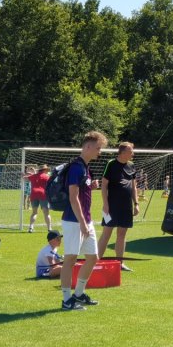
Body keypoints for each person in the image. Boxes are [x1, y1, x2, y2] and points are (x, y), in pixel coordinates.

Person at [60, 131, 107, 311]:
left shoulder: (85, 168)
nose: (99, 152)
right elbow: (73, 197)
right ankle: (66, 300)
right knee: (70, 259)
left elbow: (82, 191)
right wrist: (81, 223)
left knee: (93, 257)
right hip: (74, 222)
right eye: (97, 148)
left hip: (85, 221)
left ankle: (79, 293)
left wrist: (92, 186)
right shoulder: (76, 167)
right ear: (87, 147)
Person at [97, 142, 139, 271]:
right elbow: (103, 185)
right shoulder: (111, 164)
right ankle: (96, 261)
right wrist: (105, 204)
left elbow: (134, 186)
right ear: (123, 152)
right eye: (131, 151)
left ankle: (120, 263)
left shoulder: (132, 166)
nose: (133, 153)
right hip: (111, 206)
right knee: (106, 234)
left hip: (126, 206)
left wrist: (136, 203)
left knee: (122, 234)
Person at [26, 164, 52, 233]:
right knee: (46, 213)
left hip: (34, 194)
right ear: (44, 170)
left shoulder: (33, 176)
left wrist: (27, 174)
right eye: (46, 170)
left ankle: (31, 228)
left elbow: (26, 178)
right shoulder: (47, 177)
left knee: (34, 213)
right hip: (43, 194)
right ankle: (49, 228)